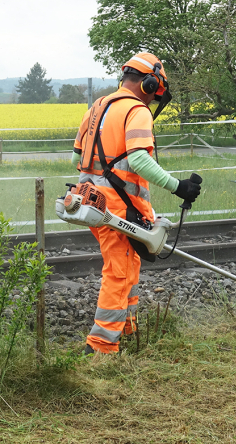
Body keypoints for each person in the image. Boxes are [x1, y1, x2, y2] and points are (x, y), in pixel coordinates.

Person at [72, 52, 201, 354]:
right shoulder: (136, 110)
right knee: (118, 272)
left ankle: (126, 329)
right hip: (116, 206)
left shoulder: (98, 106)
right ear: (148, 83)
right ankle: (101, 347)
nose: (153, 102)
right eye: (155, 95)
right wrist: (178, 187)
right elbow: (139, 159)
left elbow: (77, 156)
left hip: (90, 199)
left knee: (128, 266)